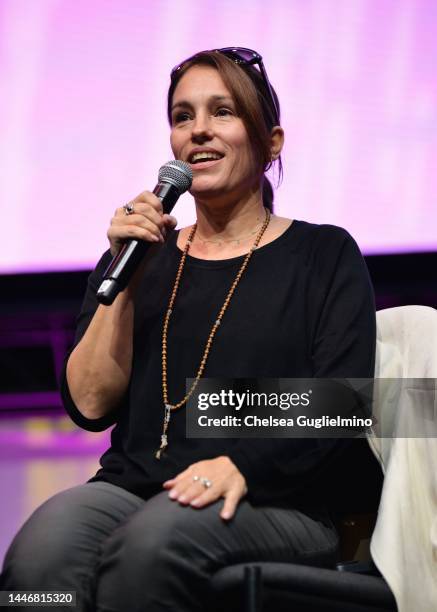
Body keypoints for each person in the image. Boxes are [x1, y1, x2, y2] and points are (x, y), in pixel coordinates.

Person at [0, 47, 382, 611]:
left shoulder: (322, 253)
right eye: (183, 117)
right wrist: (125, 277)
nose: (198, 130)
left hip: (276, 497)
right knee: (40, 561)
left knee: (152, 546)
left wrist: (242, 463)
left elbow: (341, 404)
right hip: (132, 491)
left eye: (221, 112)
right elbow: (88, 402)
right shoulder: (140, 256)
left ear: (270, 141)